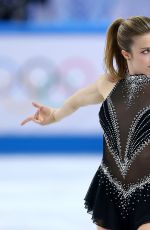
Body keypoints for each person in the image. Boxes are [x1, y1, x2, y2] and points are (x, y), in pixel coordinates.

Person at [21, 16, 150, 230]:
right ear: (126, 54)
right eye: (146, 51)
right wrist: (52, 116)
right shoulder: (108, 84)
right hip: (111, 189)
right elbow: (74, 103)